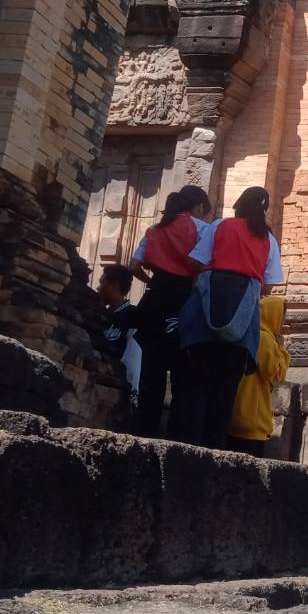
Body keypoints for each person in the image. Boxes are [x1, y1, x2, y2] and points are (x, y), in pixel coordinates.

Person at [173, 186, 283, 449]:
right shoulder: (268, 240)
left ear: (239, 205)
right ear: (264, 209)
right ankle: (215, 447)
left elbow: (198, 262)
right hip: (243, 314)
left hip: (207, 306)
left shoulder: (220, 226)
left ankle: (188, 445)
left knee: (197, 382)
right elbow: (269, 285)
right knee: (226, 388)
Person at [129, 185, 211, 438]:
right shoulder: (202, 230)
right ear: (198, 207)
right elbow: (203, 269)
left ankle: (144, 431)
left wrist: (151, 280)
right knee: (183, 373)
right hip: (183, 302)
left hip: (154, 302)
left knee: (150, 370)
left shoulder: (155, 229)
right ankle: (177, 437)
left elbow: (133, 266)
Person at [226, 295, 290, 456]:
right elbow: (276, 373)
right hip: (251, 418)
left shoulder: (247, 332)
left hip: (237, 412)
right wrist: (282, 349)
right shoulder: (264, 338)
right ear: (273, 316)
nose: (283, 324)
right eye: (282, 318)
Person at [96, 264, 142, 405]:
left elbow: (134, 358)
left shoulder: (133, 316)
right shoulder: (99, 315)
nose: (98, 288)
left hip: (119, 386)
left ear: (114, 284)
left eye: (102, 282)